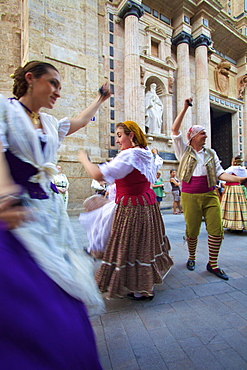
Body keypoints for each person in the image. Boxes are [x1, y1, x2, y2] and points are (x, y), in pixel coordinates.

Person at [0, 60, 111, 368]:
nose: (58, 92)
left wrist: (100, 100)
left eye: (60, 86)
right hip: (16, 209)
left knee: (60, 287)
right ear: (30, 79)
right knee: (24, 292)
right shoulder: (5, 109)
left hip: (50, 213)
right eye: (53, 83)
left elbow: (78, 121)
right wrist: (5, 191)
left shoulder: (49, 124)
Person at [78, 121, 173, 300]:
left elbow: (97, 174)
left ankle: (140, 288)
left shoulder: (129, 155)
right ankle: (144, 285)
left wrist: (84, 159)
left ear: (132, 135)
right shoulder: (146, 153)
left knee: (129, 246)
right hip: (147, 205)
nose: (117, 141)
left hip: (132, 207)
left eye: (120, 135)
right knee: (143, 244)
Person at [171, 98, 247, 280]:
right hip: (190, 196)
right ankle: (191, 257)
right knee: (192, 230)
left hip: (210, 194)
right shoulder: (183, 151)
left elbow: (220, 173)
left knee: (216, 230)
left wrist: (241, 179)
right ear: (193, 136)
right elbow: (174, 130)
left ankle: (212, 264)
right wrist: (184, 108)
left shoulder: (211, 153)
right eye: (202, 133)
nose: (205, 136)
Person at [220, 155, 247, 233]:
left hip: (231, 189)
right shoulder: (244, 170)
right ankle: (240, 224)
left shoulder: (230, 169)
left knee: (230, 207)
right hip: (240, 189)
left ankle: (231, 225)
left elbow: (223, 179)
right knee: (241, 207)